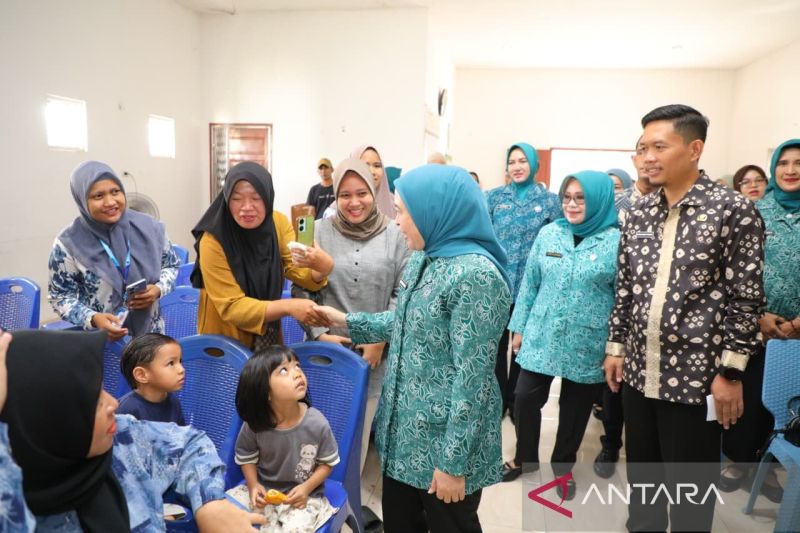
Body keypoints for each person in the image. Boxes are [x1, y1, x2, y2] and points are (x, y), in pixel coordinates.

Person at [316, 164, 511, 533]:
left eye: (403, 211)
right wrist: (344, 320)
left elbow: (473, 382)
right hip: (404, 438)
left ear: (434, 212)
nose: (396, 220)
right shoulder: (427, 256)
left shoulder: (476, 277)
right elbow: (409, 321)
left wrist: (452, 465)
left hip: (443, 449)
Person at [604, 104, 764, 532]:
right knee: (644, 491)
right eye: (642, 148)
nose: (647, 157)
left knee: (690, 500)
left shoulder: (733, 210)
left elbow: (746, 299)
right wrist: (616, 347)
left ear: (694, 149)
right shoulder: (638, 212)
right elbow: (626, 286)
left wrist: (730, 373)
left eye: (659, 147)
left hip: (696, 380)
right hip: (640, 373)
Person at [0, 329, 266, 532]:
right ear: (48, 419)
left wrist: (210, 502)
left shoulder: (121, 440)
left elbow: (188, 443)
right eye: (94, 399)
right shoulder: (16, 512)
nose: (113, 403)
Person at [501, 172, 619, 499]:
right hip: (542, 333)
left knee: (574, 412)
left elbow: (623, 298)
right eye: (567, 197)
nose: (571, 204)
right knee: (524, 399)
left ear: (598, 201)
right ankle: (525, 458)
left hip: (588, 341)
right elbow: (530, 283)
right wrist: (519, 327)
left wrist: (615, 347)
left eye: (580, 198)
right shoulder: (550, 234)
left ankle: (562, 468)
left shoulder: (616, 241)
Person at [308, 158, 409, 467]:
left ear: (374, 191)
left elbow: (403, 292)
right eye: (345, 195)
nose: (354, 202)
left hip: (373, 356)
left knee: (358, 437)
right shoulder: (319, 231)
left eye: (362, 193)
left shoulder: (395, 233)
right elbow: (302, 287)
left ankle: (350, 493)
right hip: (326, 352)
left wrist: (380, 339)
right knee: (316, 438)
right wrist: (319, 334)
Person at [720, 139, 800, 501]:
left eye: (798, 163)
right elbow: (730, 268)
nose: (790, 170)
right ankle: (738, 462)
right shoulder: (753, 211)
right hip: (753, 326)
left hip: (798, 333)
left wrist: (797, 324)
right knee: (747, 397)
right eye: (783, 163)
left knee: (784, 404)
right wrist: (758, 316)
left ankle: (768, 470)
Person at [191, 161, 332, 350]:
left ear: (267, 196)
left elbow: (296, 268)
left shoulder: (277, 223)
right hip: (225, 341)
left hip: (267, 333)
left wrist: (320, 268)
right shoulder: (212, 240)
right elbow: (232, 307)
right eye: (236, 198)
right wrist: (288, 307)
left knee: (270, 369)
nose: (246, 207)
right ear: (226, 198)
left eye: (256, 198)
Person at [48, 161, 180, 340]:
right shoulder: (68, 243)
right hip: (101, 341)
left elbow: (171, 265)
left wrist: (159, 288)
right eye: (98, 196)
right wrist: (92, 318)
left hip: (151, 338)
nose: (110, 202)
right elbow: (60, 296)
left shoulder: (150, 228)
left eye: (115, 192)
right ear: (82, 200)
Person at [485, 142, 563, 420]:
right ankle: (496, 402)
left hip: (532, 289)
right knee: (495, 349)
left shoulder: (550, 201)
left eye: (523, 161)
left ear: (534, 164)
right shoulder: (493, 198)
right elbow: (483, 236)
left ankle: (516, 403)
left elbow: (559, 240)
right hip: (497, 285)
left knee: (523, 349)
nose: (517, 167)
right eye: (512, 161)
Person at [233, 345, 339, 531]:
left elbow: (327, 463)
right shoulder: (255, 424)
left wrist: (306, 488)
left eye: (297, 366)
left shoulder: (316, 422)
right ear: (264, 391)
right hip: (264, 492)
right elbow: (246, 456)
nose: (297, 373)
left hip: (304, 497)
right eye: (284, 370)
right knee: (225, 512)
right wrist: (253, 485)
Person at [117, 333, 186, 425]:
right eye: (171, 363)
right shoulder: (126, 409)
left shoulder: (174, 402)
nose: (181, 369)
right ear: (141, 375)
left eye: (180, 361)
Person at [350, 144, 396, 218]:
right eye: (365, 165)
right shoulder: (340, 208)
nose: (372, 172)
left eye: (377, 166)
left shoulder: (395, 204)